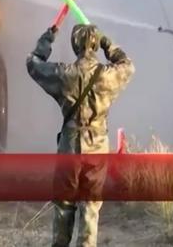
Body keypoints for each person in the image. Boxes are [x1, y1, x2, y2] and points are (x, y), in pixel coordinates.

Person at [27, 24, 135, 247]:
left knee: (64, 204)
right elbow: (128, 66)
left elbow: (33, 64)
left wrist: (47, 40)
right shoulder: (108, 76)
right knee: (91, 205)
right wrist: (108, 44)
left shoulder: (64, 74)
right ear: (95, 44)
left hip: (70, 145)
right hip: (98, 145)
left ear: (74, 44)